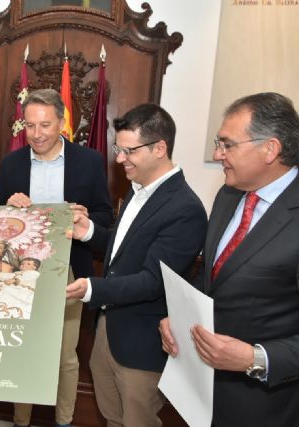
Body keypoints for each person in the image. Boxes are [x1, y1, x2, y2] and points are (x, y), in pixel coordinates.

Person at [159, 92, 299, 426]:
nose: (216, 154)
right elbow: (213, 276)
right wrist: (177, 318)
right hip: (203, 392)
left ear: (270, 149)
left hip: (267, 406)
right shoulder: (227, 194)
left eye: (227, 144)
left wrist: (256, 358)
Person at [66, 104, 207, 426]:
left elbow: (152, 281)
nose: (119, 159)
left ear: (160, 148)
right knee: (112, 418)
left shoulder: (185, 208)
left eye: (128, 151)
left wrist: (91, 288)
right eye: (119, 149)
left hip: (142, 344)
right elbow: (123, 251)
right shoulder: (138, 188)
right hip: (109, 331)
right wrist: (88, 232)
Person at [0, 88, 113, 427]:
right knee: (22, 351)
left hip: (68, 274)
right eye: (30, 126)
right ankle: (21, 420)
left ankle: (64, 421)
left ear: (62, 123)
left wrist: (87, 217)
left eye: (45, 125)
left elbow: (105, 217)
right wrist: (7, 209)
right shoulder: (11, 164)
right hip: (19, 275)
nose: (37, 134)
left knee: (65, 357)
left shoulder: (89, 161)